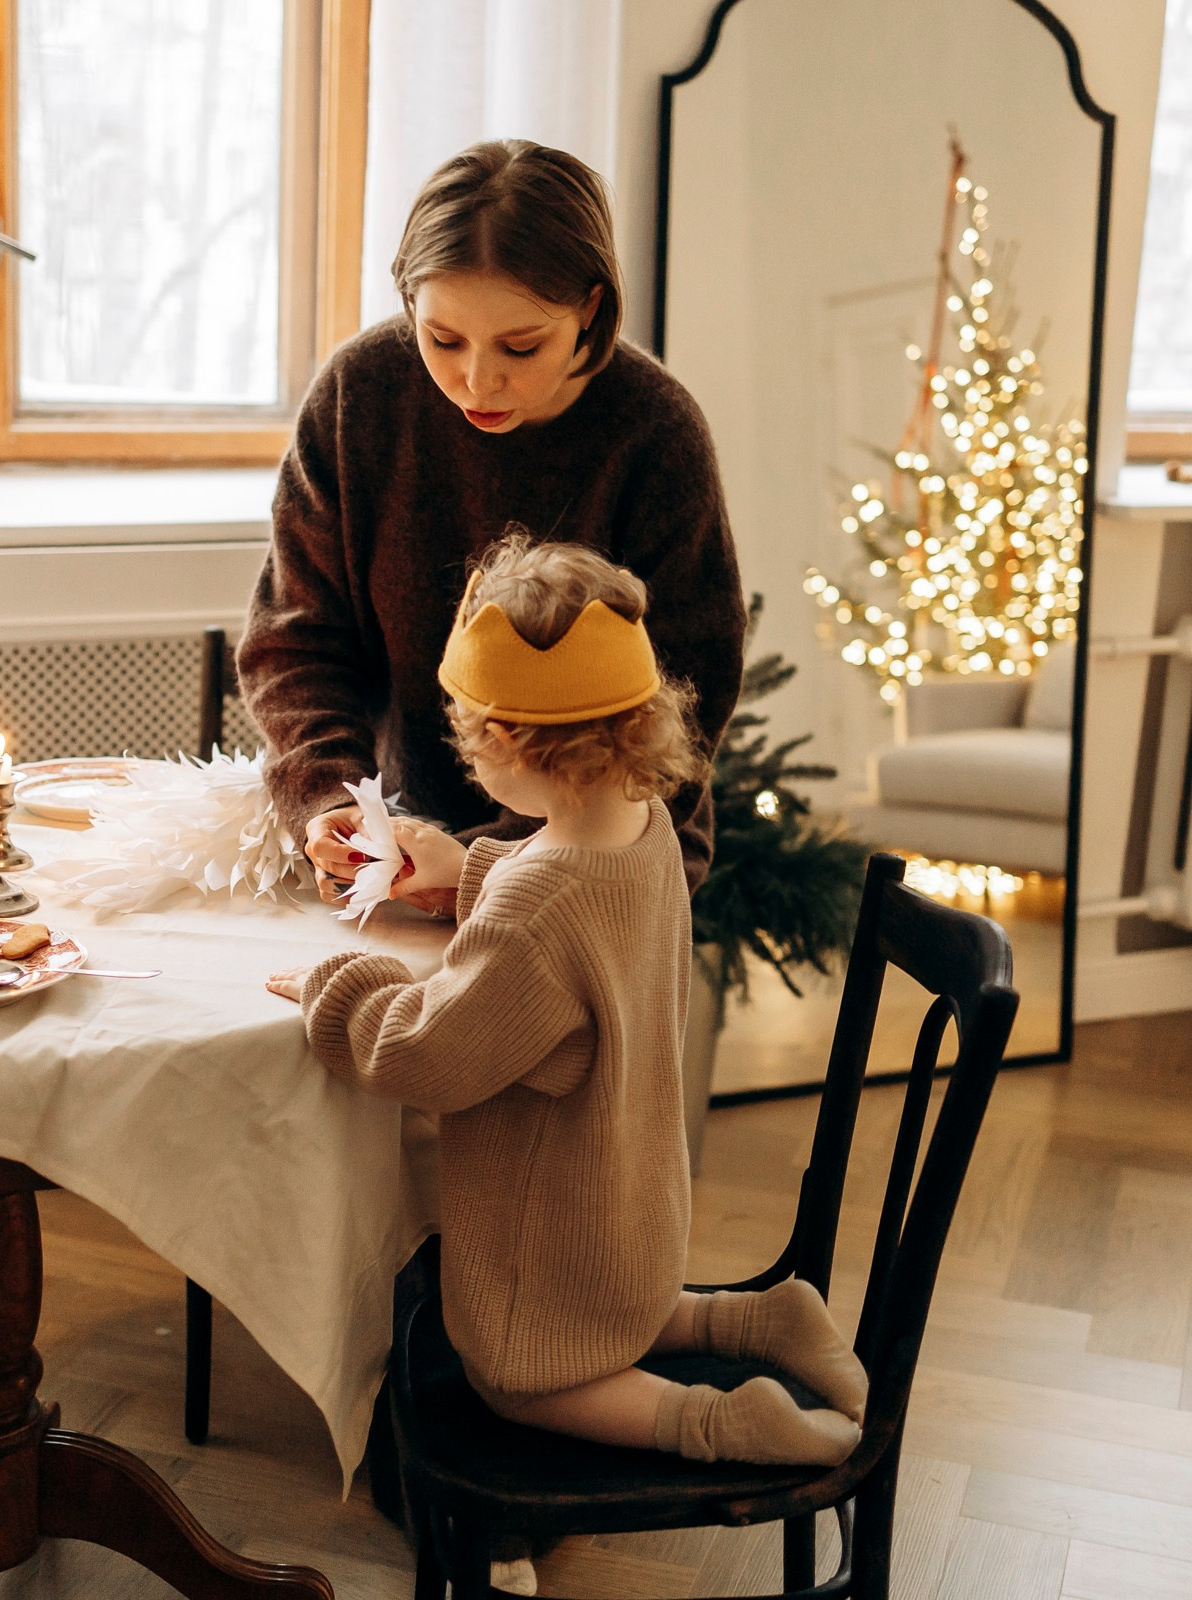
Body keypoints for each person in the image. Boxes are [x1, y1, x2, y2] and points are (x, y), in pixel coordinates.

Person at [265, 539, 864, 1466]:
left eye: (467, 732)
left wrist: (334, 986)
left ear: (500, 740)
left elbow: (426, 1055)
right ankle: (758, 1318)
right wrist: (469, 868)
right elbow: (581, 929)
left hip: (545, 1244)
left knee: (521, 1374)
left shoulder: (539, 909)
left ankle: (723, 1424)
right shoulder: (646, 826)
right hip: (633, 1212)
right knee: (620, 1314)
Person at [239, 139, 745, 913]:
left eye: (520, 345)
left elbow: (676, 713)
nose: (477, 378)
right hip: (395, 841)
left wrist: (487, 862)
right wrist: (329, 798)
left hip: (602, 864)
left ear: (591, 311)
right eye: (442, 339)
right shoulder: (358, 395)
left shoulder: (655, 433)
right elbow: (294, 638)